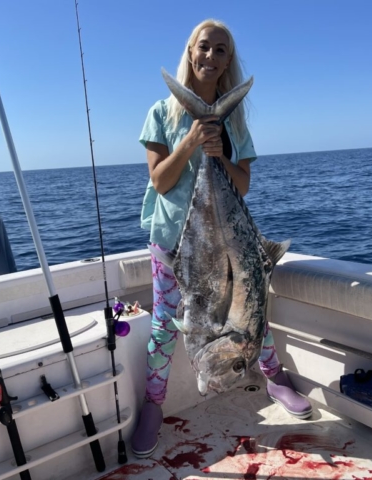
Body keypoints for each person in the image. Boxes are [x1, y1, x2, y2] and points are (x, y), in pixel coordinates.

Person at [131, 19, 312, 459]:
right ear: (190, 52)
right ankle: (153, 406)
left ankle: (274, 377)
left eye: (220, 50)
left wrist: (219, 155)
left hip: (230, 244)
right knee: (163, 328)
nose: (209, 56)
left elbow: (243, 185)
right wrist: (192, 141)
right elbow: (159, 181)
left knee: (250, 315)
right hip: (173, 243)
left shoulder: (235, 121)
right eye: (203, 47)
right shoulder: (162, 112)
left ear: (229, 61)